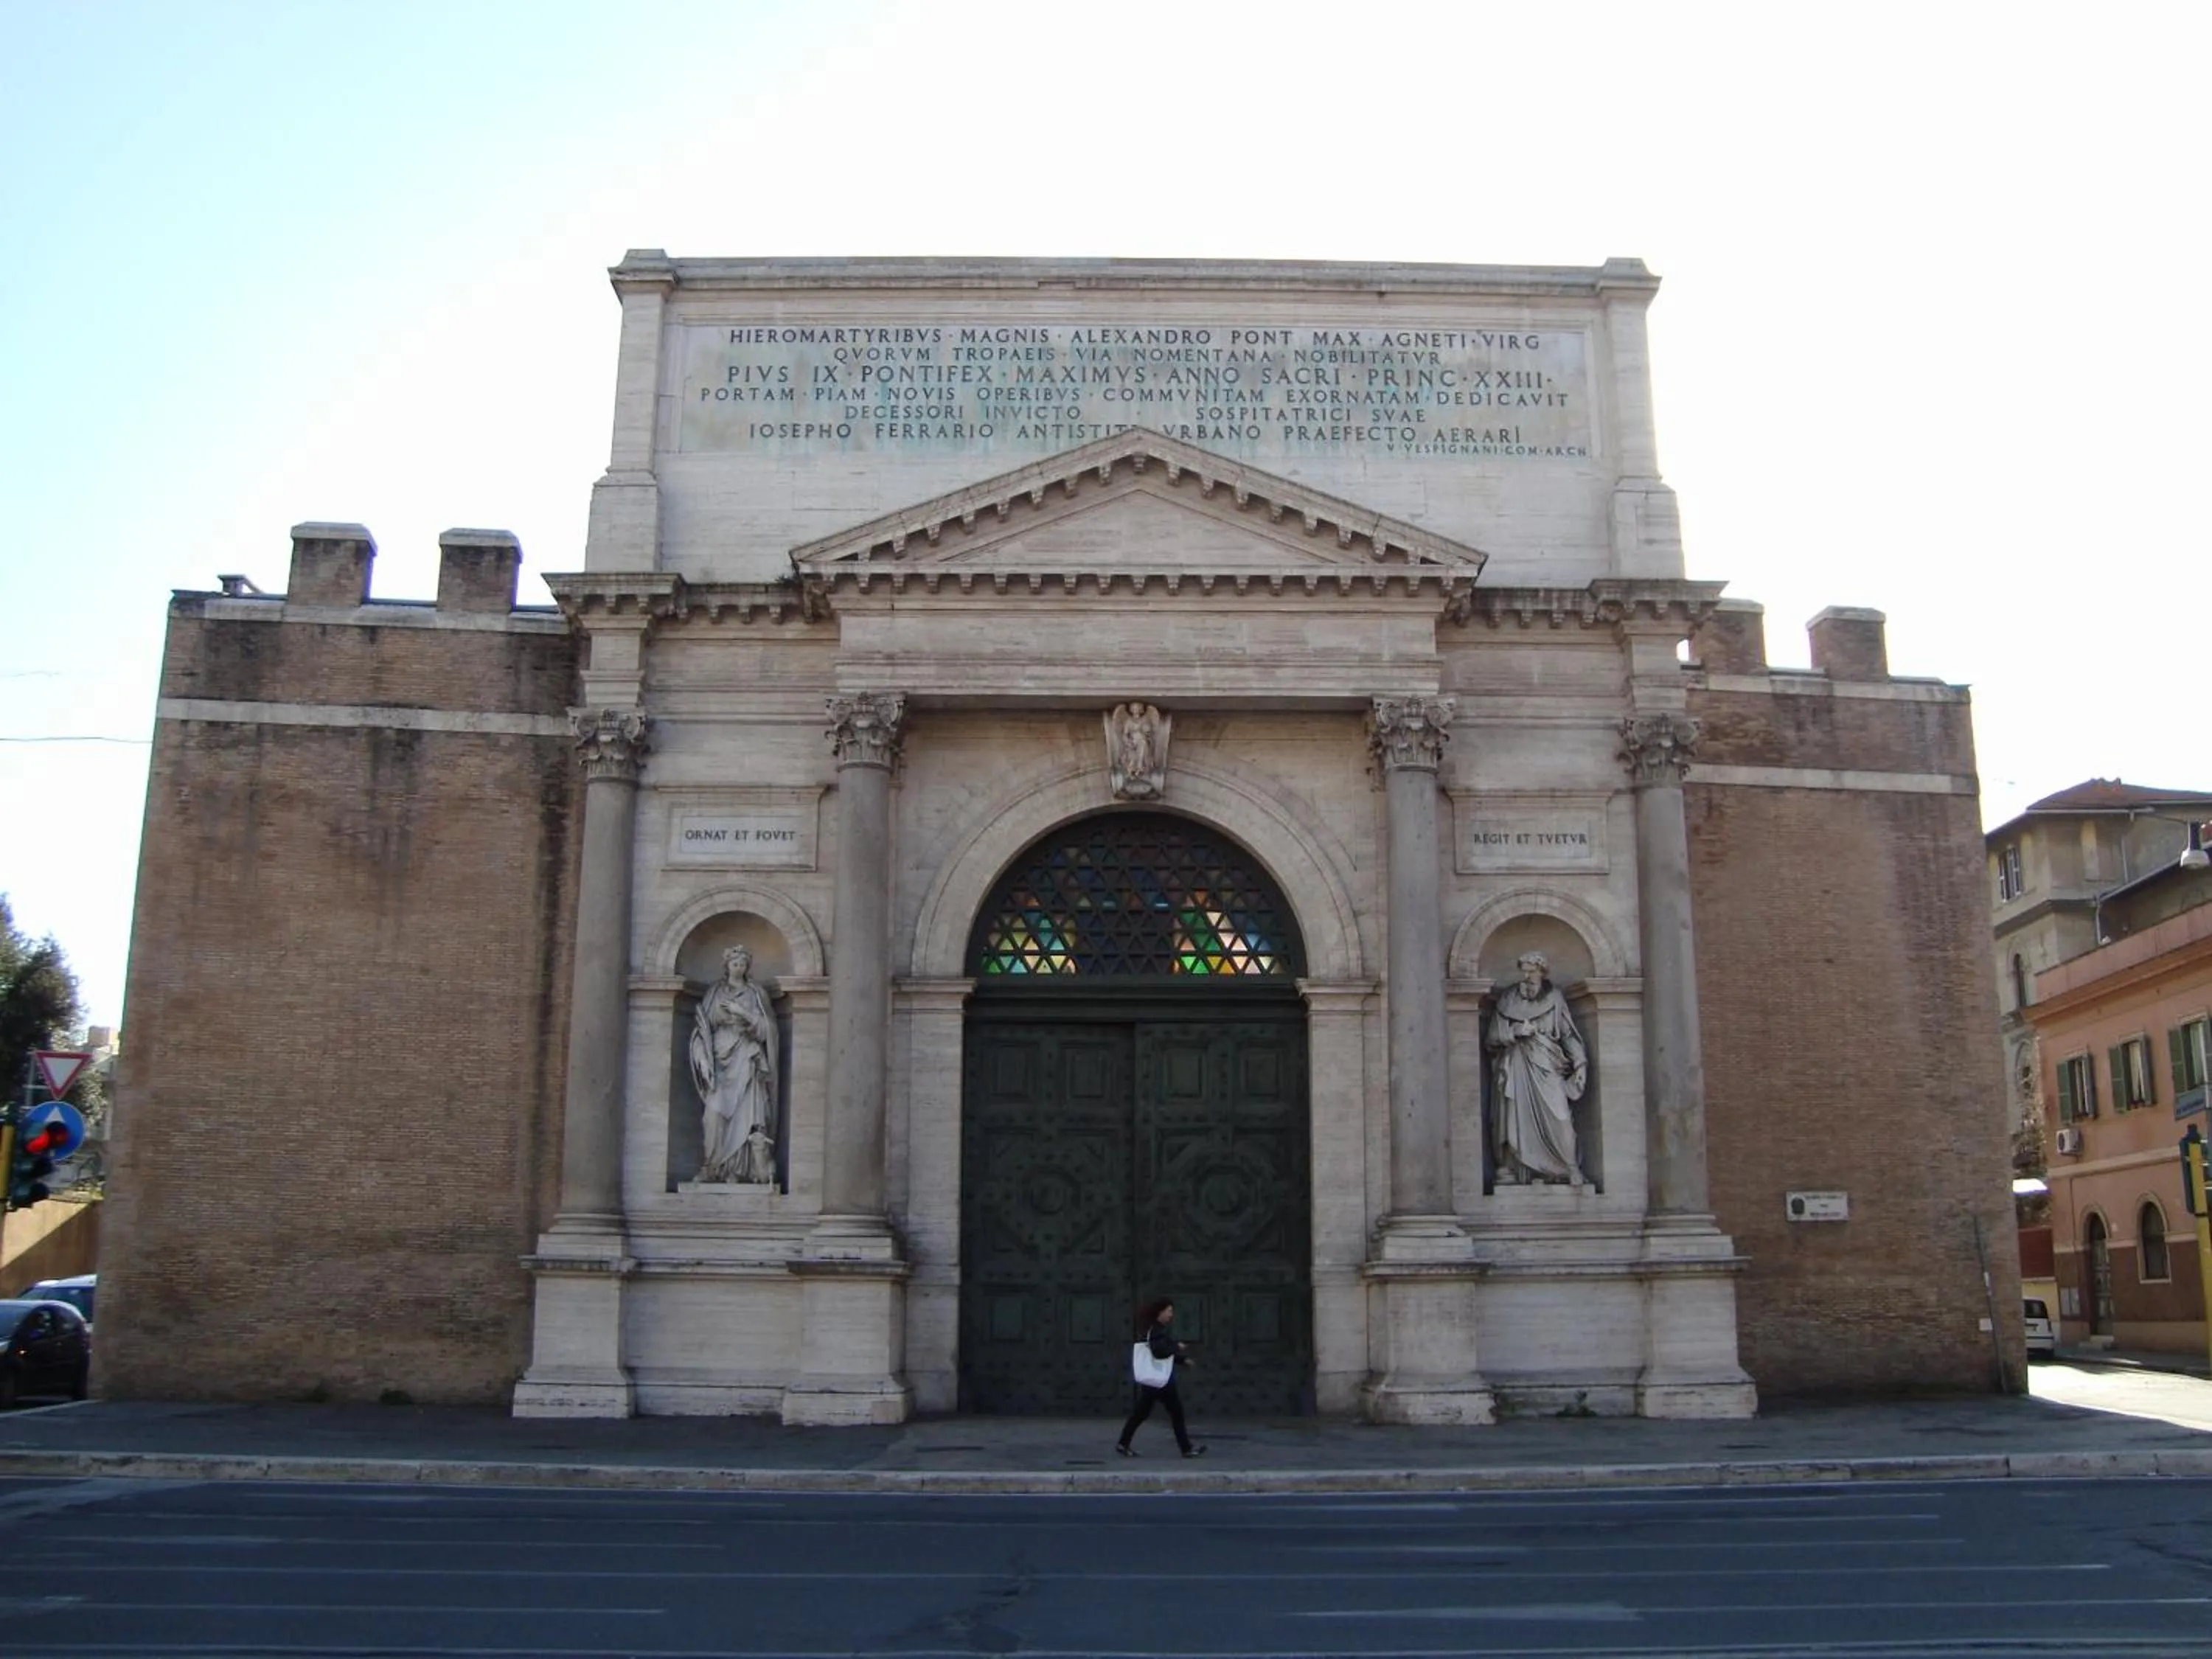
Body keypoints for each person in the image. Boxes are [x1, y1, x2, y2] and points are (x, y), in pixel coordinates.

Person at [1486, 950, 1589, 1185]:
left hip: (1548, 1064)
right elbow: (1492, 1037)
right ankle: (1515, 1168)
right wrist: (1513, 1032)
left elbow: (1568, 1034)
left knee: (1560, 1117)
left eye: (1531, 972)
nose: (1527, 977)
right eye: (1524, 972)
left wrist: (1580, 1062)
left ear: (1542, 972)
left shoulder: (1555, 998)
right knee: (1514, 1117)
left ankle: (1568, 1167)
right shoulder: (1508, 1000)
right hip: (1516, 1065)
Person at [691, 945, 779, 1184]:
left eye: (743, 964)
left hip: (747, 1054)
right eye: (735, 963)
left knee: (747, 1115)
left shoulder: (755, 993)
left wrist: (744, 1013)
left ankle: (741, 1170)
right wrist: (703, 1060)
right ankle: (713, 1166)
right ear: (727, 966)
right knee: (713, 1114)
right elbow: (703, 1029)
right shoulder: (715, 993)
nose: (739, 968)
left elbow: (768, 1029)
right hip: (720, 1055)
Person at [1116, 1298, 1207, 1458]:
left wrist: (1182, 1359)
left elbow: (1164, 1353)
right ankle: (1186, 1449)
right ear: (1161, 1312)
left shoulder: (1156, 1330)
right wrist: (1177, 1348)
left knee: (1141, 1413)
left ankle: (1123, 1443)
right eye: (1169, 1311)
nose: (1171, 1315)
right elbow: (1160, 1353)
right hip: (1162, 1382)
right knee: (1176, 1413)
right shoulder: (1157, 1331)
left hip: (1154, 1381)